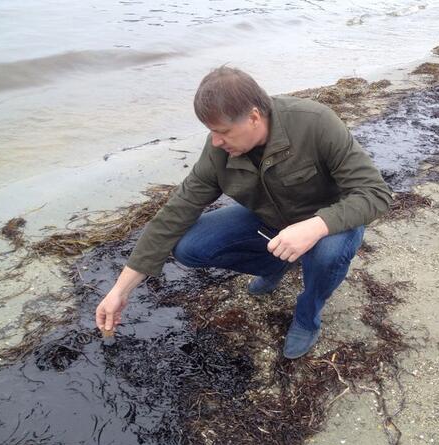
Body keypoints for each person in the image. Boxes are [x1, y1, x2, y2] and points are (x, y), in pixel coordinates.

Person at [95, 67, 392, 358]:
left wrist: (315, 226)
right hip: (270, 222)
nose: (215, 141)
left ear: (253, 117)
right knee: (188, 246)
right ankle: (275, 265)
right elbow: (174, 213)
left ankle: (307, 316)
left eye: (222, 132)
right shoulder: (218, 151)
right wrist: (120, 291)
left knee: (328, 255)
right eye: (211, 132)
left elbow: (376, 193)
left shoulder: (315, 123)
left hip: (331, 222)